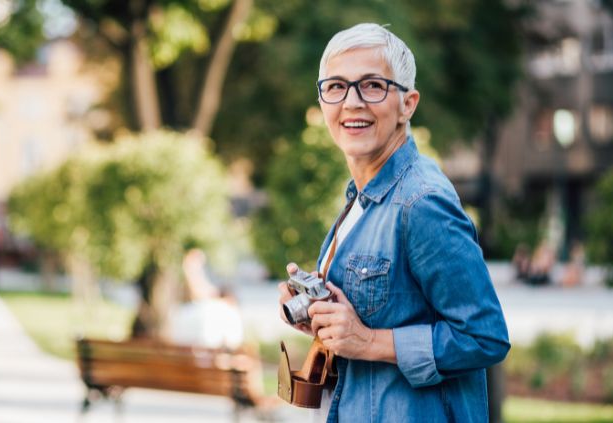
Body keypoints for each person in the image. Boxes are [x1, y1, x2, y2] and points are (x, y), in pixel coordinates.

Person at [277, 23, 510, 422]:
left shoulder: (422, 202)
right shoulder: (363, 197)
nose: (352, 102)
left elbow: (484, 337)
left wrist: (367, 341)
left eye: (372, 85)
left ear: (408, 104)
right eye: (335, 86)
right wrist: (325, 322)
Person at [168, 248, 244, 350]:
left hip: (181, 362)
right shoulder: (226, 312)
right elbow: (233, 343)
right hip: (209, 362)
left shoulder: (182, 312)